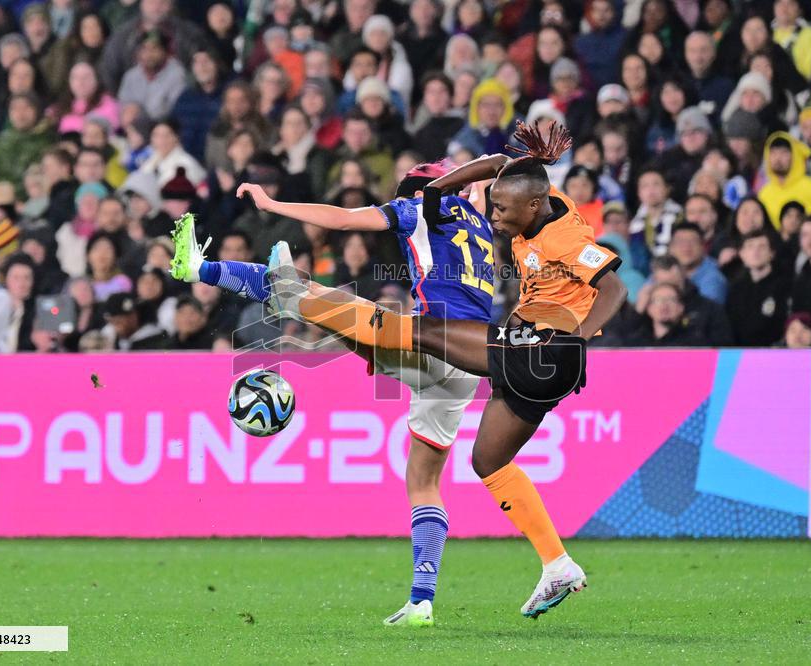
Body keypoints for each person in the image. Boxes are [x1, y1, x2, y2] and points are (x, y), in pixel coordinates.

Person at [203, 122, 626, 618]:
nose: (495, 218)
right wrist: (449, 186)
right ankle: (557, 564)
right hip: (524, 355)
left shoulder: (564, 238)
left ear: (533, 206)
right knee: (487, 463)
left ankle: (289, 293)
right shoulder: (526, 196)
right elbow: (499, 168)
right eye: (493, 205)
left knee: (421, 331)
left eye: (502, 211)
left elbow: (614, 288)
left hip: (540, 349)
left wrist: (576, 339)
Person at [172, 160, 494, 627]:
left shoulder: (419, 207)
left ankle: (235, 279)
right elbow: (478, 184)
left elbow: (342, 218)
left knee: (331, 305)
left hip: (431, 339)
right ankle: (422, 600)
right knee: (424, 481)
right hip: (469, 364)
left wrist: (272, 204)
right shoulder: (480, 221)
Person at [726, 229, 791, 346]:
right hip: (739, 355)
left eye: (762, 247)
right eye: (750, 247)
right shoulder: (735, 289)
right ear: (742, 254)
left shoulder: (785, 286)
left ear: (771, 253)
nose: (756, 252)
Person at [757, 132, 811, 228]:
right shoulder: (764, 193)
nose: (778, 158)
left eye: (784, 152)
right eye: (773, 152)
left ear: (794, 155)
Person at [667, 222, 727, 304]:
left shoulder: (714, 278)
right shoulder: (664, 268)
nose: (686, 248)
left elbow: (705, 313)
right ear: (670, 248)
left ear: (703, 247)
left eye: (692, 242)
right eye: (680, 242)